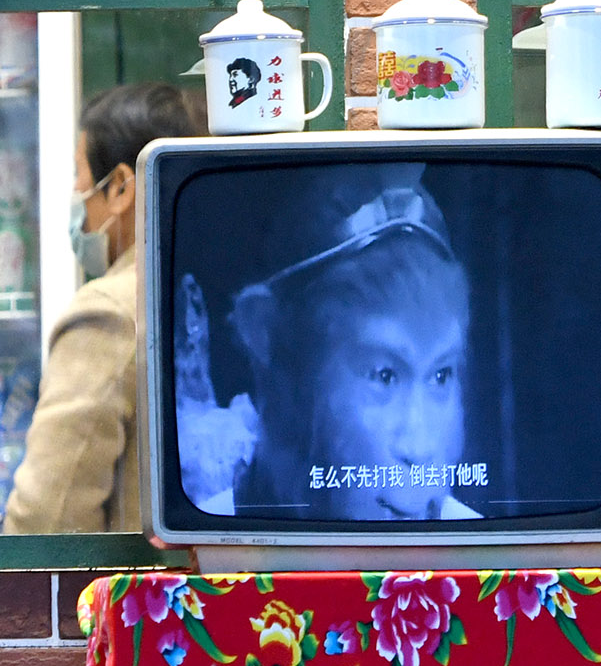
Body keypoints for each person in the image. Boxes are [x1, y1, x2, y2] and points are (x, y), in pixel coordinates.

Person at [178, 177, 480, 522]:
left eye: (441, 376)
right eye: (384, 376)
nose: (420, 447)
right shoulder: (202, 549)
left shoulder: (505, 570)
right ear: (266, 336)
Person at [2, 80, 202, 534]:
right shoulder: (219, 291)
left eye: (79, 174)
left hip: (140, 599)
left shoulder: (111, 313)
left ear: (121, 188)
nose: (76, 193)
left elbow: (48, 520)